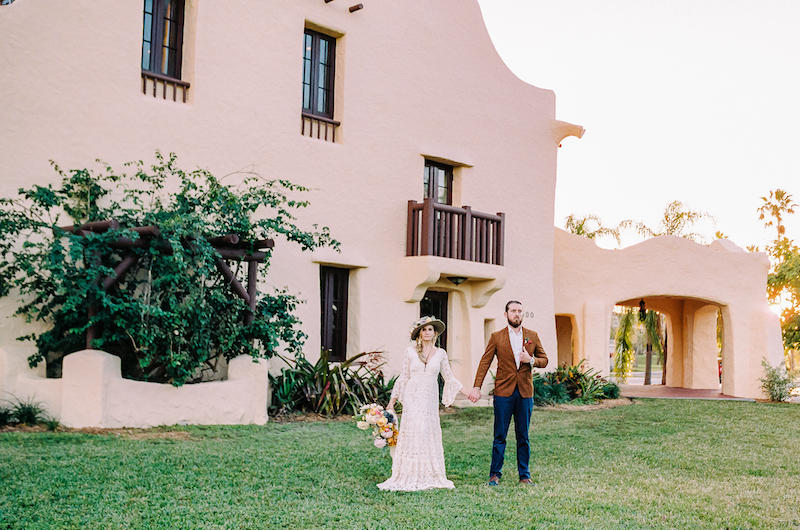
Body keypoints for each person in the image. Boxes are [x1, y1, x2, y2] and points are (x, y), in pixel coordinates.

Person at [378, 316, 463, 491]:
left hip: (429, 400)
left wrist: (467, 392)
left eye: (430, 329)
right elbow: (404, 377)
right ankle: (409, 472)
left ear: (435, 333)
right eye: (424, 329)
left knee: (426, 430)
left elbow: (449, 377)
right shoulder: (410, 352)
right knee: (414, 430)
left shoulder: (441, 353)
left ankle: (428, 473)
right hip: (412, 397)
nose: (427, 332)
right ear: (419, 333)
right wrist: (392, 402)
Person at [468, 300, 548, 485]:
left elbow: (544, 360)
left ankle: (524, 475)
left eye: (519, 311)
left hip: (525, 393)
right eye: (513, 311)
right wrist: (477, 387)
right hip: (503, 392)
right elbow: (485, 361)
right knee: (500, 435)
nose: (517, 314)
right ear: (506, 314)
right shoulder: (497, 337)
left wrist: (531, 360)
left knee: (523, 436)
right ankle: (495, 474)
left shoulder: (532, 336)